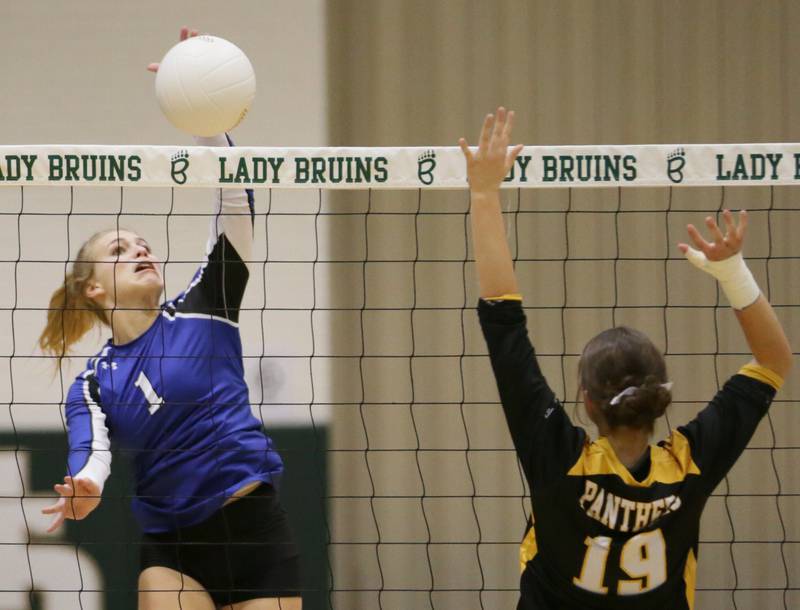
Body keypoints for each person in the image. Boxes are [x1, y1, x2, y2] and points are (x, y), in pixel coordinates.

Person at [459, 107, 792, 609]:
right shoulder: (688, 466)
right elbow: (775, 361)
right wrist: (732, 273)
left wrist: (484, 193)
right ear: (660, 394)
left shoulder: (559, 459)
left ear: (586, 401)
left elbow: (502, 320)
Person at [38, 27, 302, 610]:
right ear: (94, 288)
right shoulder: (93, 383)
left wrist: (203, 115)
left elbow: (237, 199)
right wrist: (86, 485)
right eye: (120, 249)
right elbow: (93, 454)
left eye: (142, 243)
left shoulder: (209, 304)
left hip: (254, 526)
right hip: (173, 546)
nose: (140, 249)